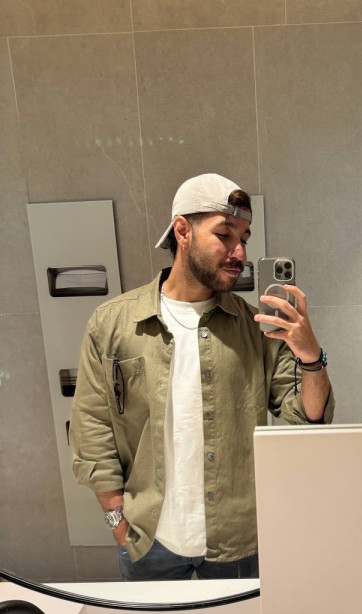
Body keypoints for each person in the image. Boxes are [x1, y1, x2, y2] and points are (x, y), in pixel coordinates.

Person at [69, 173, 334, 580]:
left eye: (244, 237)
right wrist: (116, 519)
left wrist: (310, 356)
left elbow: (308, 417)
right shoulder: (113, 324)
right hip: (147, 538)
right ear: (182, 231)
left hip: (238, 540)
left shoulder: (256, 328)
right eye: (225, 235)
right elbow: (93, 425)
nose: (239, 252)